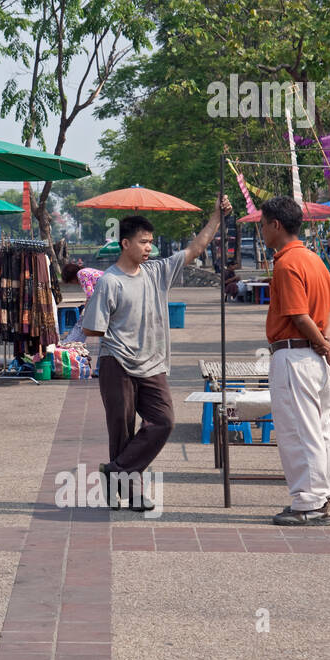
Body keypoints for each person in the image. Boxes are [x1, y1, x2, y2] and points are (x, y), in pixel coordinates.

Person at [81, 196, 233, 509]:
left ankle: (114, 472)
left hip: (153, 365)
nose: (149, 248)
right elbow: (92, 329)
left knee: (163, 421)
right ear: (125, 243)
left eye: (151, 242)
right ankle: (131, 492)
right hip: (117, 364)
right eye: (143, 242)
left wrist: (216, 217)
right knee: (121, 432)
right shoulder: (109, 282)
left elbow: (195, 249)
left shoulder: (157, 272)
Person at [259, 197, 330, 527]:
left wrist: (322, 343)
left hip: (295, 355)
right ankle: (322, 496)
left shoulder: (287, 263)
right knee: (319, 430)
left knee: (299, 431)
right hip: (315, 358)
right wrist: (326, 344)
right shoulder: (314, 259)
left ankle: (309, 502)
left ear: (275, 225)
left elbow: (298, 315)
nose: (262, 231)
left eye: (263, 224)